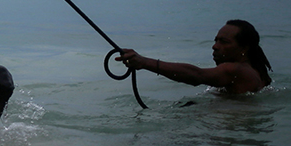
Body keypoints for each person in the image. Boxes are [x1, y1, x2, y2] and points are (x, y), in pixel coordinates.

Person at [116, 19, 272, 94]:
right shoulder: (256, 72)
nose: (215, 46)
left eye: (224, 42)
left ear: (244, 48)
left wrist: (143, 62)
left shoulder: (235, 69)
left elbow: (197, 76)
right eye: (215, 40)